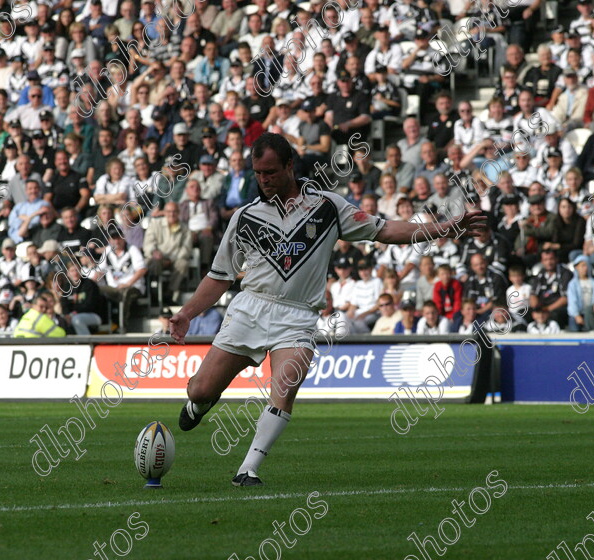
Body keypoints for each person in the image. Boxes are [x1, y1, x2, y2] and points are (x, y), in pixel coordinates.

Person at [168, 133, 486, 486]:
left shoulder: (327, 206)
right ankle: (199, 404)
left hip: (299, 314)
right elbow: (219, 277)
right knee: (200, 389)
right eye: (258, 173)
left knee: (286, 385)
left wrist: (444, 227)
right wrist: (186, 313)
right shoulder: (244, 217)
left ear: (290, 165)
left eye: (271, 172)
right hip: (249, 310)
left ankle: (248, 469)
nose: (264, 180)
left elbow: (384, 230)